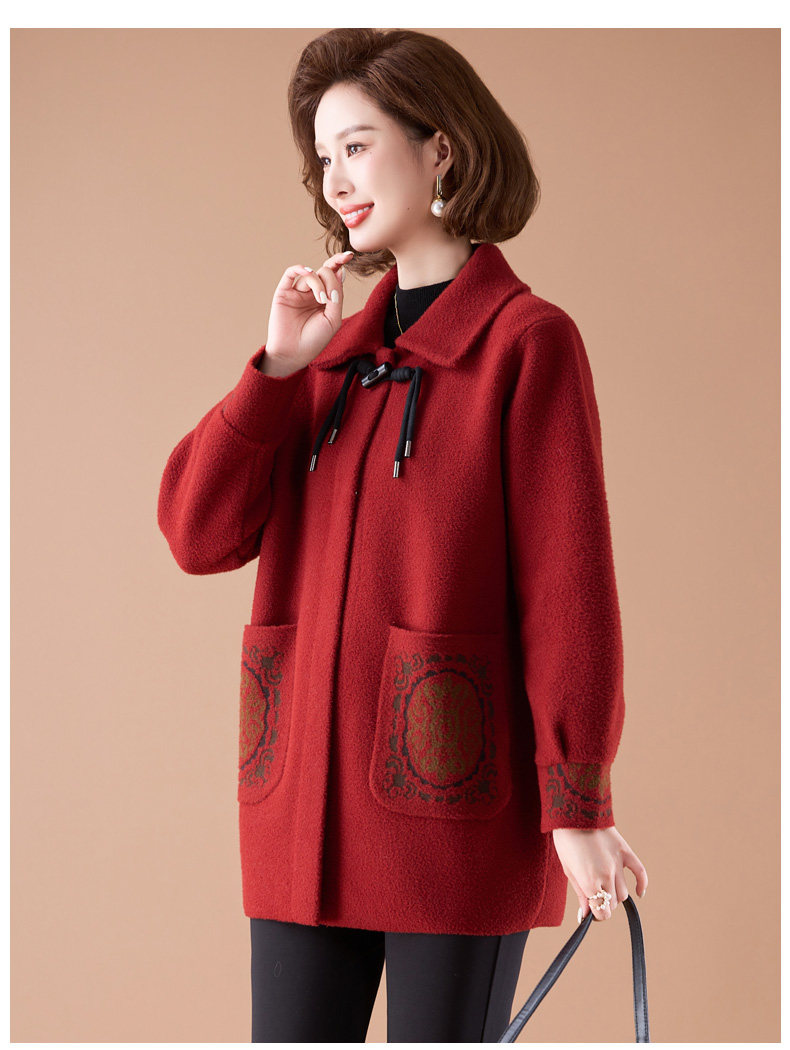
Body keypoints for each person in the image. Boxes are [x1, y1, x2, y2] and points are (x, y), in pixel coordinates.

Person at [157, 27, 649, 1043]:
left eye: (358, 144)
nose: (335, 179)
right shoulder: (326, 354)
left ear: (441, 148)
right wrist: (277, 369)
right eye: (322, 155)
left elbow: (568, 590)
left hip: (451, 817)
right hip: (298, 815)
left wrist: (577, 807)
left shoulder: (526, 344)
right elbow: (198, 535)